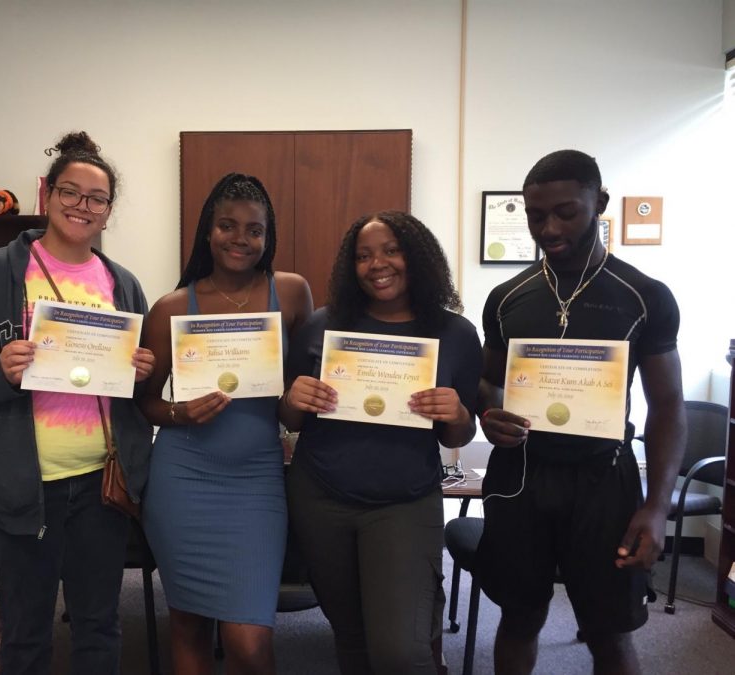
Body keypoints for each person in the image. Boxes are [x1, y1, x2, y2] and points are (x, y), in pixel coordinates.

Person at [0, 131, 156, 675]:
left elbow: (131, 391)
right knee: (26, 634)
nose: (82, 206)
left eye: (96, 199)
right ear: (48, 194)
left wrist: (142, 373)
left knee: (99, 626)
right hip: (21, 487)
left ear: (108, 211)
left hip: (101, 485)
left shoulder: (123, 285)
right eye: (71, 192)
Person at [475, 149, 686, 675]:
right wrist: (488, 411)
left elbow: (668, 405)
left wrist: (657, 507)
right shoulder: (506, 298)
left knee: (607, 631)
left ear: (600, 203)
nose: (548, 228)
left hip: (604, 483)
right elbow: (487, 381)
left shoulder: (645, 297)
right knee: (519, 618)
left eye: (565, 212)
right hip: (521, 478)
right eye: (535, 215)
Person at [279, 211, 482, 674]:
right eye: (364, 255)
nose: (377, 264)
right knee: (350, 635)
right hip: (320, 499)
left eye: (391, 250)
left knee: (401, 652)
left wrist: (456, 413)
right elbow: (289, 418)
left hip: (404, 504)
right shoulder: (322, 325)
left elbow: (460, 433)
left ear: (417, 257)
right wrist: (294, 399)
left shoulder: (455, 334)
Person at [139, 172, 313, 674]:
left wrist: (298, 403)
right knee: (188, 625)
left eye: (254, 230)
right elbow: (144, 401)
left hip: (257, 481)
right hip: (183, 478)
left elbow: (294, 396)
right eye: (227, 226)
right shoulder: (172, 308)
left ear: (268, 236)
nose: (241, 239)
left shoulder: (293, 294)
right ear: (207, 233)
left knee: (250, 642)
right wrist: (179, 412)